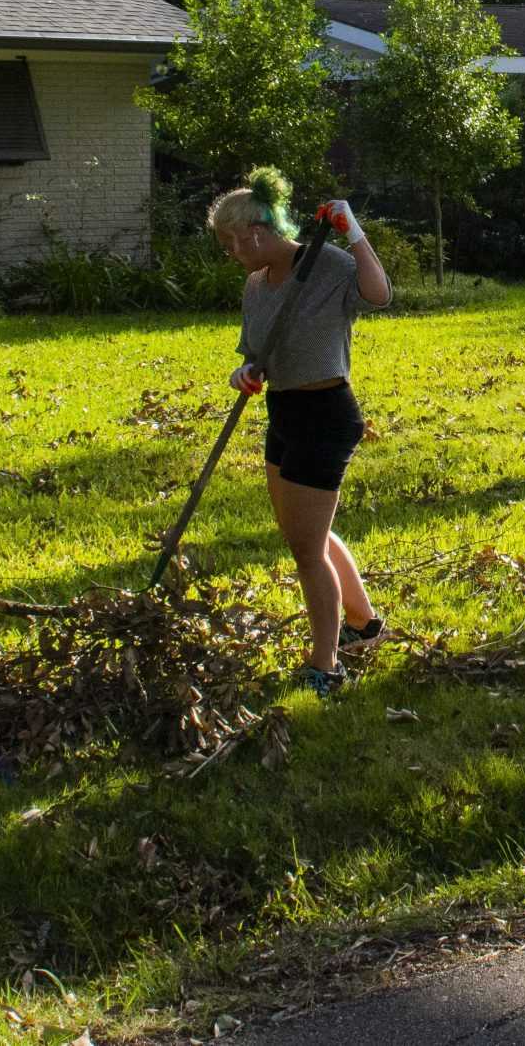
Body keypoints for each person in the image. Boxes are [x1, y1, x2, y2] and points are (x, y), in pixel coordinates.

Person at [208, 167, 394, 697]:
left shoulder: (326, 265)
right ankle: (363, 624)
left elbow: (379, 295)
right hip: (284, 412)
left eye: (232, 243)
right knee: (305, 534)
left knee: (306, 552)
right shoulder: (256, 285)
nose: (232, 253)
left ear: (256, 234)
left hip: (326, 414)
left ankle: (325, 665)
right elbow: (256, 356)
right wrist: (244, 374)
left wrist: (353, 232)